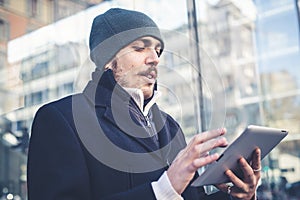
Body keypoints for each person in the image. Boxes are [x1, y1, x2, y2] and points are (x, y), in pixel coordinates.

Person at [27, 8, 261, 200]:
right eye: (140, 47)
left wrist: (240, 196)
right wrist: (162, 190)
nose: (155, 58)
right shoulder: (61, 119)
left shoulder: (170, 127)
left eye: (158, 50)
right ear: (107, 59)